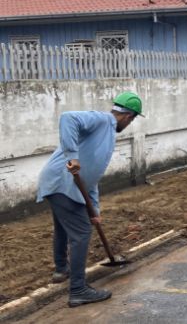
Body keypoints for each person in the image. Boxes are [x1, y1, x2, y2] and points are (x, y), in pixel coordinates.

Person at [36, 92, 144, 308]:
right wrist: (72, 156)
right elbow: (68, 118)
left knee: (64, 228)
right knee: (81, 233)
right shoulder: (103, 120)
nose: (130, 123)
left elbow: (91, 178)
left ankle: (61, 270)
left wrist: (94, 209)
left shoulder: (107, 134)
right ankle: (78, 291)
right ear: (128, 116)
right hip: (62, 182)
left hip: (62, 184)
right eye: (132, 120)